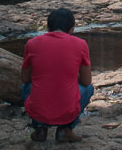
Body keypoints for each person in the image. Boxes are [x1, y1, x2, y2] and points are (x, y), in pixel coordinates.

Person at [21, 8, 93, 143]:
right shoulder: (81, 44)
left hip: (38, 109)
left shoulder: (31, 44)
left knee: (26, 86)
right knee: (89, 89)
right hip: (68, 109)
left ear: (48, 27)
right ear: (71, 29)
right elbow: (86, 81)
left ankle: (40, 128)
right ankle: (65, 129)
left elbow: (25, 78)